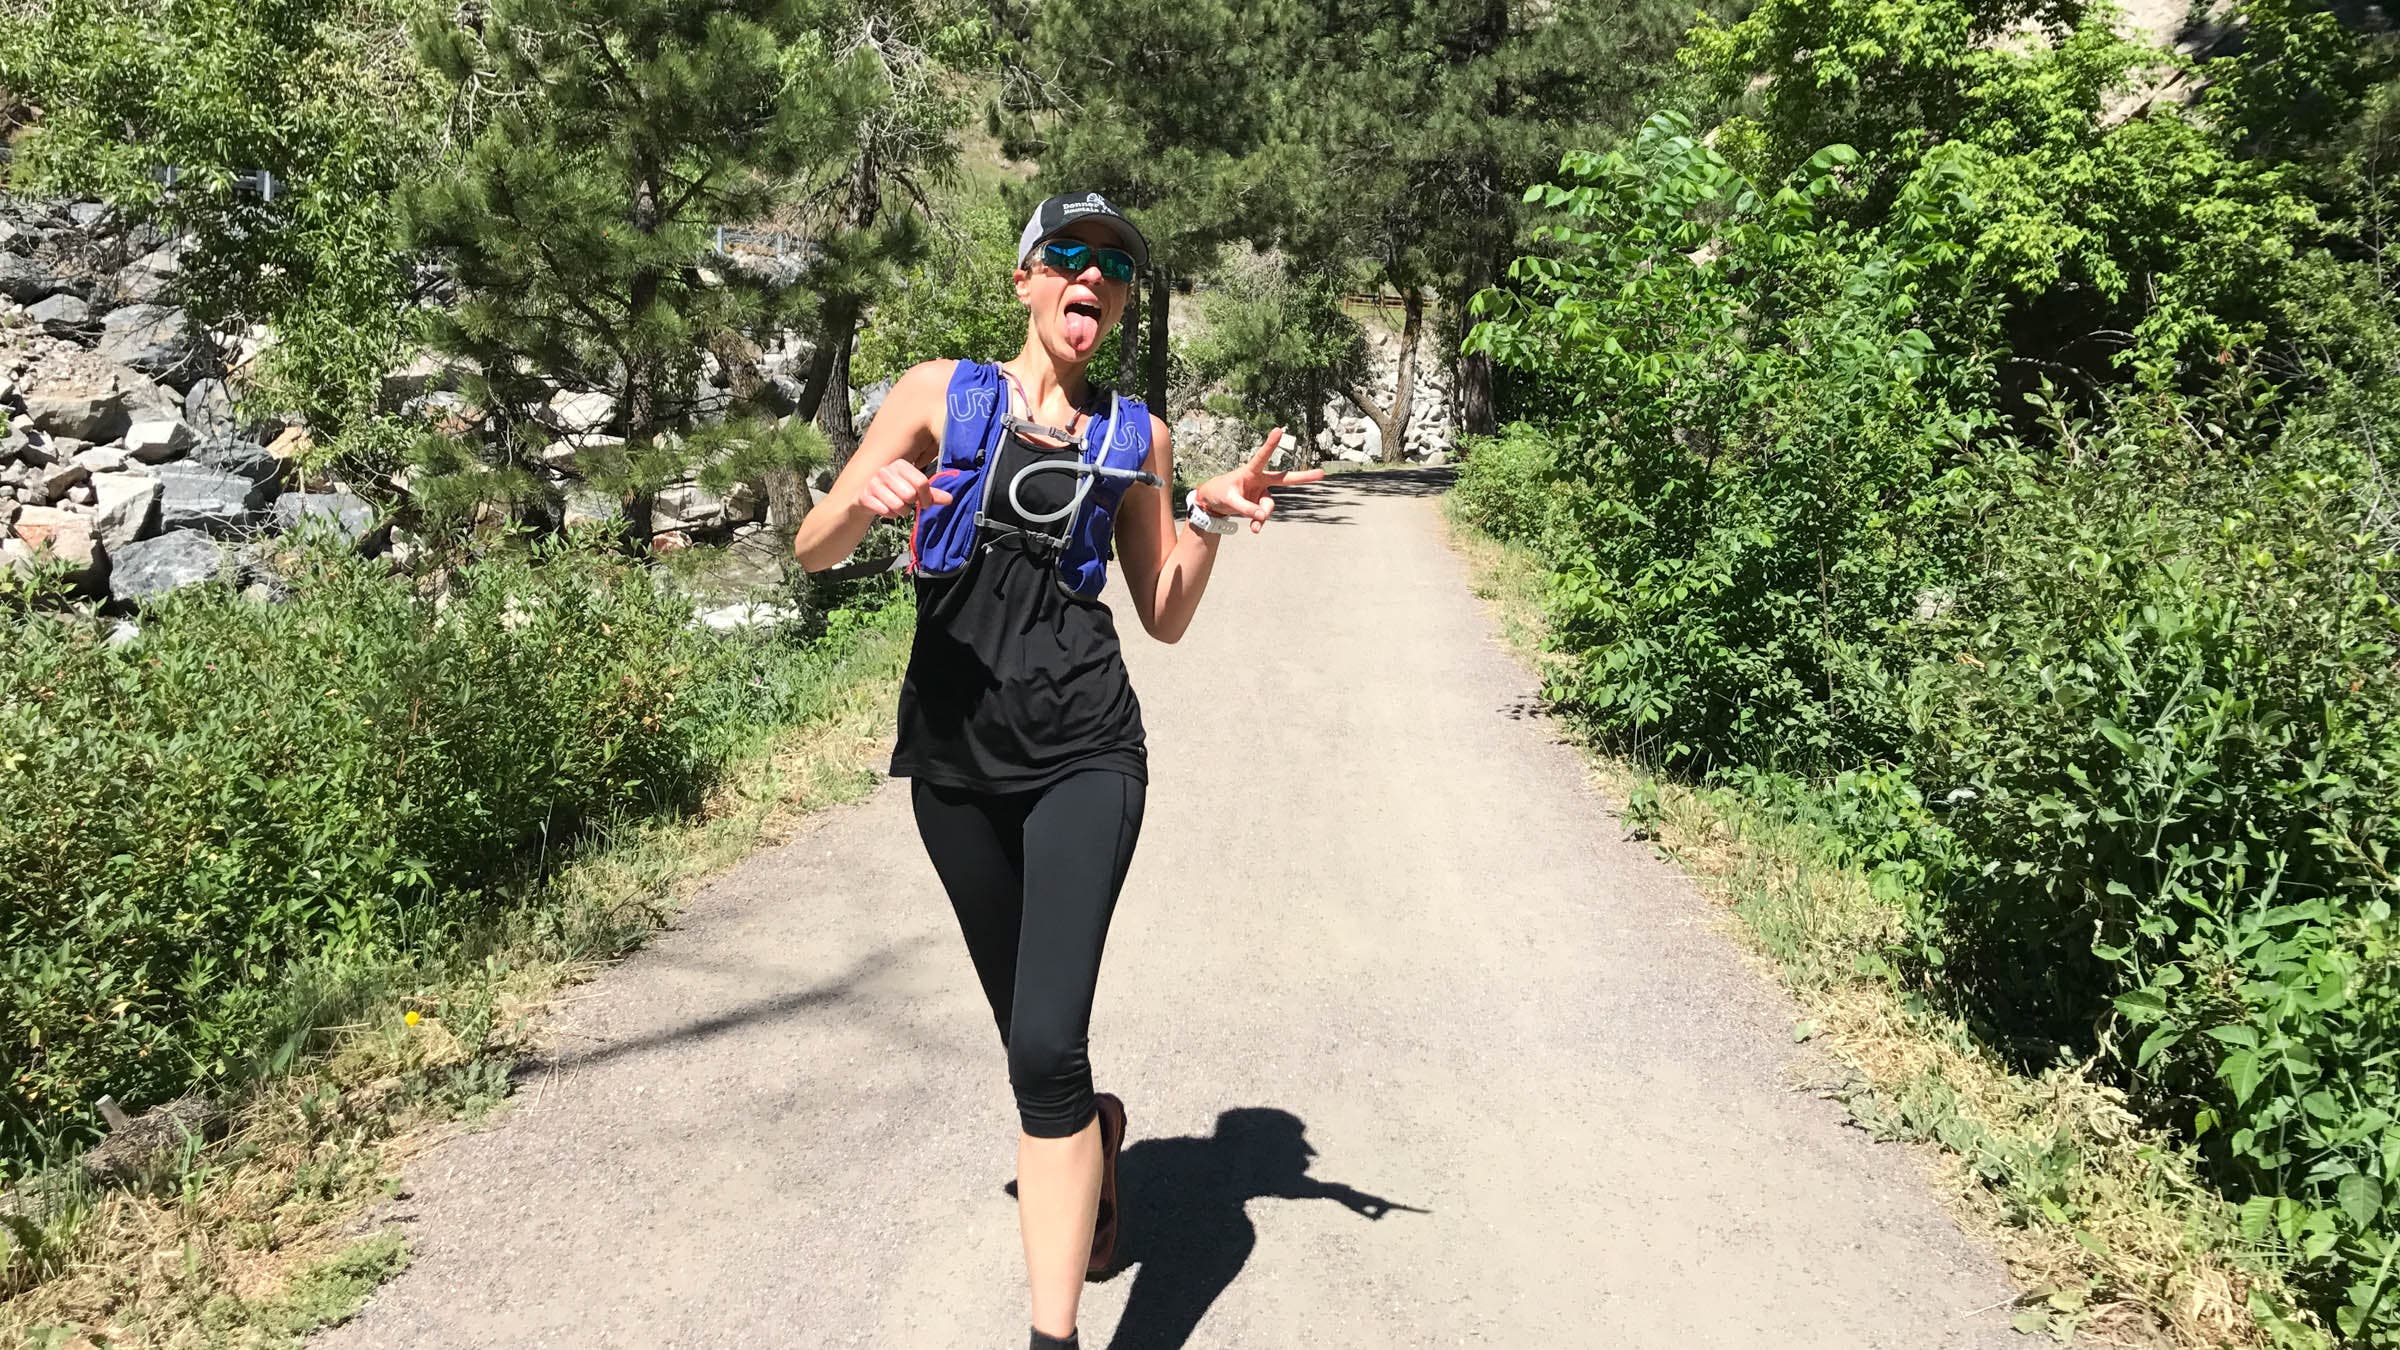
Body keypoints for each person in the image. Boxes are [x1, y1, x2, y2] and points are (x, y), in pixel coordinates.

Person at [793, 191, 1322, 1350]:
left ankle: (1053, 1337)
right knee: (1038, 1051)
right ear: (1027, 279)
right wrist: (864, 505)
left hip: (1088, 749)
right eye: (1071, 256)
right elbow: (812, 547)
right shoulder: (939, 393)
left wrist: (1207, 520)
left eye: (1115, 269)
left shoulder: (1139, 437)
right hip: (953, 764)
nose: (1094, 277)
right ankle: (1096, 1133)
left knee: (1042, 1051)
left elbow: (1162, 612)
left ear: (1121, 303)